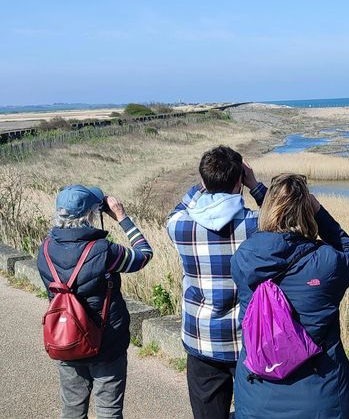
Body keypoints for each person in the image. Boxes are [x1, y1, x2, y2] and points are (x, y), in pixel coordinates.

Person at [231, 173, 349, 419]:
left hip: (256, 396)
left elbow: (274, 238)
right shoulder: (326, 262)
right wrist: (320, 213)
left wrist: (268, 198)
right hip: (321, 398)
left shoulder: (244, 258)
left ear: (269, 209)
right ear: (307, 211)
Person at [166, 146, 268, 419]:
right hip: (249, 341)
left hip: (202, 339)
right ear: (239, 181)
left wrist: (201, 186)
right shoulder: (257, 225)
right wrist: (255, 186)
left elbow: (178, 209)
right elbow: (287, 218)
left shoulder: (180, 226)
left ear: (204, 181)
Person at [38, 184, 154, 419]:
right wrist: (122, 217)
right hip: (106, 343)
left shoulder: (45, 249)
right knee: (108, 412)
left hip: (66, 340)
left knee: (71, 410)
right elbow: (144, 255)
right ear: (92, 213)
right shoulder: (104, 251)